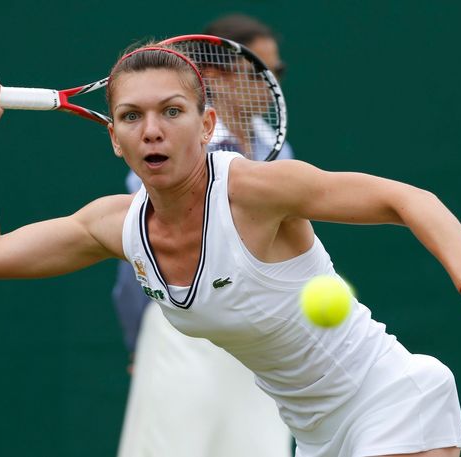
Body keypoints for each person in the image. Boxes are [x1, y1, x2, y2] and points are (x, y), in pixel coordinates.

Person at [0, 43, 461, 457]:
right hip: (314, 435)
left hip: (392, 399)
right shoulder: (115, 225)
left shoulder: (255, 190)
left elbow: (406, 198)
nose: (152, 129)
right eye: (131, 116)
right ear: (114, 139)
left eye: (172, 111)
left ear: (207, 124)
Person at [112, 14, 295, 457]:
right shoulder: (171, 154)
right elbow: (140, 255)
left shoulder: (276, 147)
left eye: (279, 72)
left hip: (258, 337)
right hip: (185, 332)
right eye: (261, 73)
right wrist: (142, 338)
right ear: (215, 75)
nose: (273, 84)